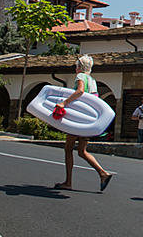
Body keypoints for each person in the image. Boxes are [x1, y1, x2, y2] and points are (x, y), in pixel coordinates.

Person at [53, 55, 113, 191]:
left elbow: (80, 91)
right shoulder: (92, 80)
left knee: (68, 149)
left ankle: (68, 182)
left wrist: (64, 102)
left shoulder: (80, 77)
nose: (76, 68)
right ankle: (103, 173)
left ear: (79, 67)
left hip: (78, 120)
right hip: (89, 120)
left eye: (76, 66)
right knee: (81, 150)